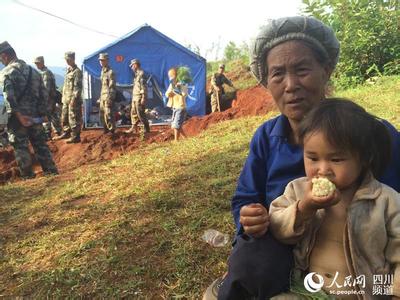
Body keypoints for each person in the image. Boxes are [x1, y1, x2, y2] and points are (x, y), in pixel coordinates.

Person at [203, 16, 400, 300]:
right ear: (267, 82)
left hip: (359, 262)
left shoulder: (372, 133)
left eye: (302, 69)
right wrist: (249, 219)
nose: (291, 84)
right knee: (252, 264)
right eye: (278, 74)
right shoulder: (267, 137)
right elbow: (246, 199)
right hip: (285, 243)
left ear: (326, 70)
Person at [269, 99, 400, 298]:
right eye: (312, 158)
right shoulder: (298, 190)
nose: (322, 170)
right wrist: (304, 208)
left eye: (336, 159)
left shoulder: (386, 201)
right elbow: (278, 229)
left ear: (365, 158)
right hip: (306, 291)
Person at [0, 41, 58, 178]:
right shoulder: (34, 72)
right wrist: (43, 115)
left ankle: (29, 179)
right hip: (35, 117)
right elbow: (44, 95)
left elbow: (9, 98)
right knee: (41, 146)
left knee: (21, 148)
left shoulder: (6, 73)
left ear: (5, 56)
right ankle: (52, 174)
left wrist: (20, 117)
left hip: (18, 120)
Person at [33, 56, 62, 140]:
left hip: (48, 99)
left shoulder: (45, 73)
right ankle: (57, 131)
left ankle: (47, 133)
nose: (36, 65)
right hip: (51, 98)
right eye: (36, 64)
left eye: (38, 63)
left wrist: (42, 100)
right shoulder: (45, 72)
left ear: (42, 63)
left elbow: (46, 88)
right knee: (53, 114)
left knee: (46, 115)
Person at [57, 51, 82, 143]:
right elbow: (65, 86)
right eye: (66, 59)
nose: (67, 61)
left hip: (73, 100)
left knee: (74, 119)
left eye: (68, 59)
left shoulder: (77, 72)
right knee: (64, 117)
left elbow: (78, 87)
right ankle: (66, 132)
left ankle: (75, 136)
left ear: (73, 59)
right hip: (66, 99)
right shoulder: (68, 71)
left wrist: (74, 99)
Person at [125, 59, 150, 135]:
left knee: (140, 113)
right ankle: (133, 128)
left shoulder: (141, 74)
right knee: (133, 113)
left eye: (132, 65)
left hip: (139, 97)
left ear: (135, 65)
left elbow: (144, 87)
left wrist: (143, 97)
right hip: (135, 97)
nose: (132, 67)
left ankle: (147, 128)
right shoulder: (136, 75)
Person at [165, 67, 188, 141]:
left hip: (181, 107)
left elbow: (184, 94)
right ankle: (186, 139)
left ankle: (176, 140)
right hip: (175, 107)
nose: (170, 78)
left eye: (171, 76)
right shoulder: (171, 85)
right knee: (176, 125)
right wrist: (170, 92)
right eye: (169, 77)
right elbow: (166, 94)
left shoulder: (182, 84)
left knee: (176, 125)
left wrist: (177, 89)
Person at [98, 52, 116, 134]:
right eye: (100, 60)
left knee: (109, 114)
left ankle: (111, 131)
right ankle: (105, 130)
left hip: (108, 96)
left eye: (102, 60)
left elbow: (112, 86)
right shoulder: (102, 71)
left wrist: (110, 98)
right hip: (103, 96)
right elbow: (103, 86)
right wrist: (100, 97)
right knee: (102, 115)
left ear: (107, 61)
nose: (101, 62)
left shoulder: (110, 72)